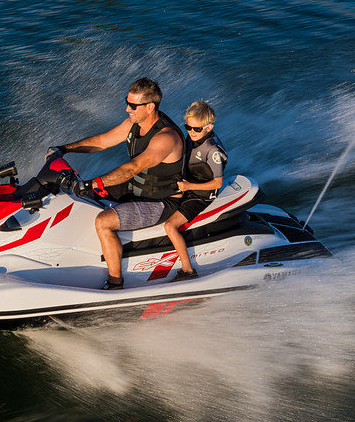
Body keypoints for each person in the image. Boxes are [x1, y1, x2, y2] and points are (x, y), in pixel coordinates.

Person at [46, 78, 184, 290]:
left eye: (133, 105)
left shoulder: (166, 137)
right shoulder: (134, 123)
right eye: (126, 102)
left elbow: (131, 169)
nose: (127, 108)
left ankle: (115, 282)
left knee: (104, 221)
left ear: (150, 107)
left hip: (160, 202)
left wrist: (91, 183)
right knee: (78, 196)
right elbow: (101, 142)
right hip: (135, 187)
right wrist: (64, 149)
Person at [163, 100, 227, 282]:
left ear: (209, 127)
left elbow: (217, 183)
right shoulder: (191, 138)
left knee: (170, 226)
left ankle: (188, 270)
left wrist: (189, 187)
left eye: (196, 129)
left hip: (201, 196)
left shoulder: (212, 150)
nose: (191, 132)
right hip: (187, 185)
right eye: (188, 127)